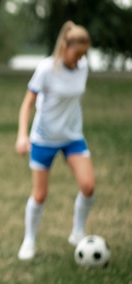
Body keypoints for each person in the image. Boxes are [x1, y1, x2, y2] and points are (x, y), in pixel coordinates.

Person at [15, 20, 95, 261]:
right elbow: (28, 103)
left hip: (72, 137)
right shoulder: (46, 69)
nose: (79, 59)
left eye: (84, 54)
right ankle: (29, 240)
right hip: (44, 139)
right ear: (64, 46)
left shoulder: (83, 67)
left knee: (88, 187)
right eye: (76, 53)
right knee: (40, 195)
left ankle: (77, 232)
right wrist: (22, 134)